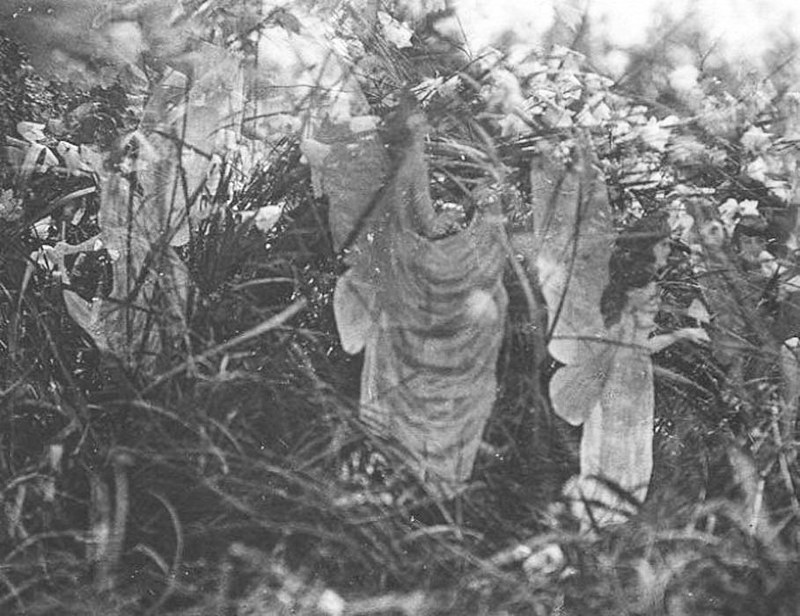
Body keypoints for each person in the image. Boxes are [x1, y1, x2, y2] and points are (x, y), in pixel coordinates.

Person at [552, 215, 709, 529]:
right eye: (664, 244)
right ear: (649, 246)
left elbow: (635, 345)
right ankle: (602, 520)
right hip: (621, 380)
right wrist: (682, 334)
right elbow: (634, 346)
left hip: (627, 376)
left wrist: (680, 335)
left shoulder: (627, 280)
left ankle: (602, 520)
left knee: (613, 445)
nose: (667, 251)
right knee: (616, 446)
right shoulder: (640, 286)